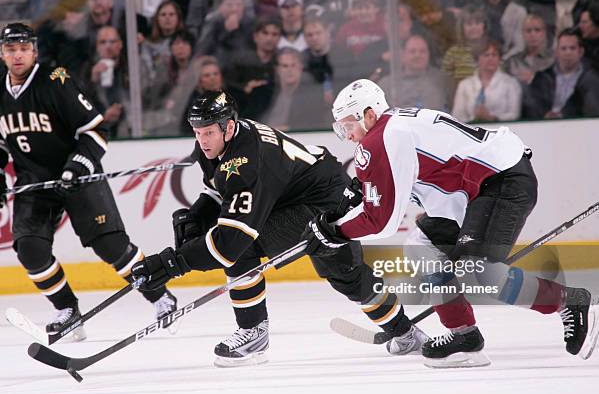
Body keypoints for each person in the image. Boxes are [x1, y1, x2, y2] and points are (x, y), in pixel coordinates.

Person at [302, 78, 599, 368]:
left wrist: (335, 232)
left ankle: (570, 301)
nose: (349, 135)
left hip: (500, 182)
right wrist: (342, 216)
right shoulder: (392, 129)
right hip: (478, 190)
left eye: (349, 126)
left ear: (369, 114)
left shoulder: (384, 136)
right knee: (422, 248)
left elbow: (382, 222)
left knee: (483, 274)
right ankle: (464, 336)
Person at [129, 90, 428, 367]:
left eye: (208, 132)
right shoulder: (220, 141)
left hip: (321, 201)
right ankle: (403, 332)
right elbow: (220, 189)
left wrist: (171, 264)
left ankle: (402, 332)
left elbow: (230, 243)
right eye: (197, 132)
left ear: (229, 127)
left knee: (337, 272)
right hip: (293, 195)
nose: (202, 140)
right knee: (342, 274)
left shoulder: (247, 160)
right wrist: (197, 214)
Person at [0, 23, 178, 340]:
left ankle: (160, 295)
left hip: (78, 177)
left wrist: (77, 166)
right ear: (2, 53)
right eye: (11, 49)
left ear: (35, 51)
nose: (18, 55)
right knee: (29, 249)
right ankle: (68, 311)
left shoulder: (56, 82)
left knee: (112, 247)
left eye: (24, 48)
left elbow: (96, 131)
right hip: (35, 183)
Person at [522, 28, 599, 119]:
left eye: (572, 48)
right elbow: (532, 106)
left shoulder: (594, 80)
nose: (568, 53)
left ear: (581, 52)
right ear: (556, 52)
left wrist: (563, 115)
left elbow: (597, 109)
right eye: (563, 49)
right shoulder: (541, 78)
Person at [452, 39, 522, 123]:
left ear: (499, 58)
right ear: (477, 59)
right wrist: (474, 119)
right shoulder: (464, 85)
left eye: (494, 55)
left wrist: (493, 118)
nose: (490, 58)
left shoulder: (511, 83)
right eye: (486, 55)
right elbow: (457, 116)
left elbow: (514, 114)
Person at [379, 34, 453, 111]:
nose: (418, 55)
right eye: (412, 51)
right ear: (403, 55)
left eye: (422, 51)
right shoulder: (386, 84)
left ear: (428, 54)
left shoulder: (442, 80)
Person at [505, 14, 554, 85]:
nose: (532, 34)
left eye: (537, 30)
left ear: (544, 33)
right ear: (523, 34)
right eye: (528, 31)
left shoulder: (553, 60)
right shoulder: (512, 62)